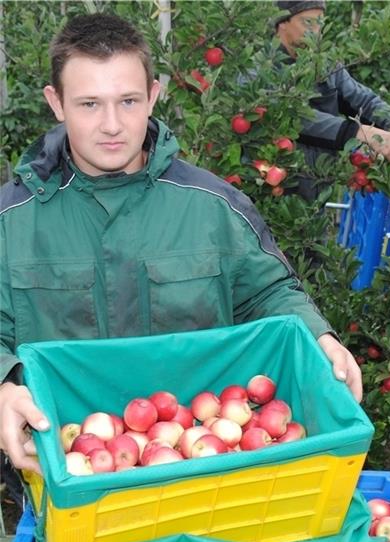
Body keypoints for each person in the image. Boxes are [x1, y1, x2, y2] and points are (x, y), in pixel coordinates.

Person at [0, 12, 363, 476]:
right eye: (90, 104)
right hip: (69, 472)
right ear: (57, 102)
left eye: (128, 101)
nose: (112, 124)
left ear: (153, 96)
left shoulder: (212, 206)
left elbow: (268, 292)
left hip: (200, 465)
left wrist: (320, 337)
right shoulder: (13, 220)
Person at [273, 0, 390, 200]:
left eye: (320, 22)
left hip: (316, 196)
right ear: (282, 22)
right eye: (307, 22)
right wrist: (362, 132)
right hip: (270, 196)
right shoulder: (261, 68)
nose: (316, 30)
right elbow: (292, 115)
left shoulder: (325, 65)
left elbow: (362, 100)